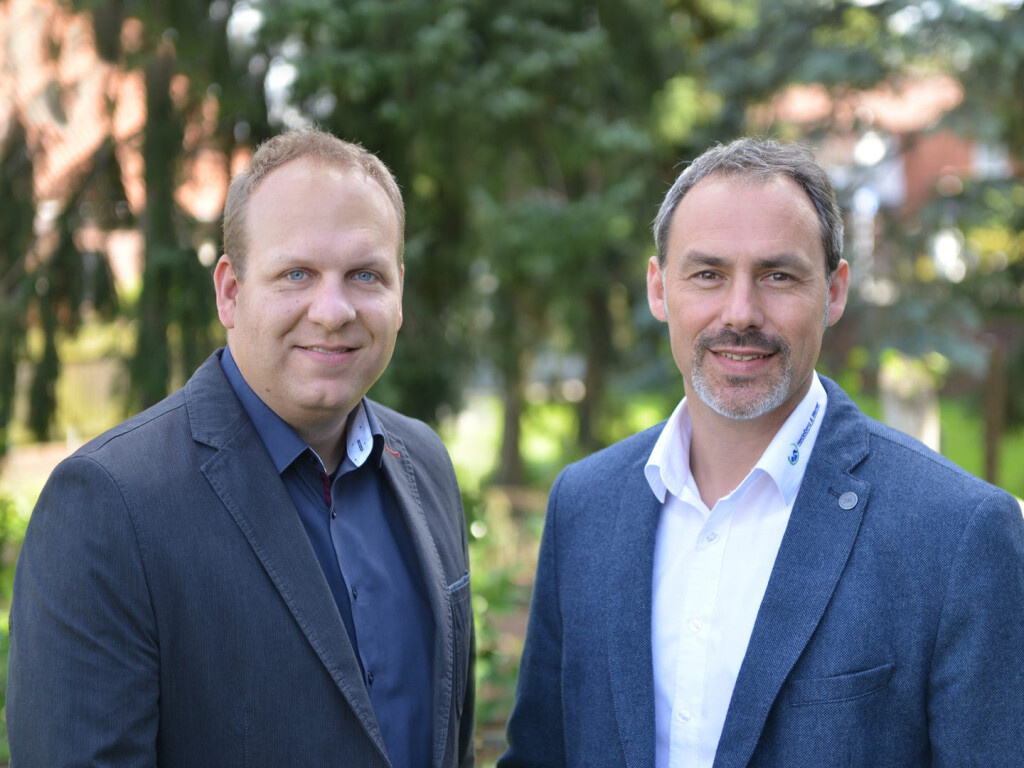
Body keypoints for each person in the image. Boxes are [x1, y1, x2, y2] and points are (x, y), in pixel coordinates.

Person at [500, 137, 1024, 767]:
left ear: (833, 292)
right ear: (659, 289)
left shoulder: (957, 533)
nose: (740, 312)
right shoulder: (584, 506)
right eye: (708, 274)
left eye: (778, 275)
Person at [9, 127, 475, 768]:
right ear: (230, 291)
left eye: (365, 274)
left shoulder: (424, 464)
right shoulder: (108, 504)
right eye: (297, 274)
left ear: (399, 295)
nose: (334, 309)